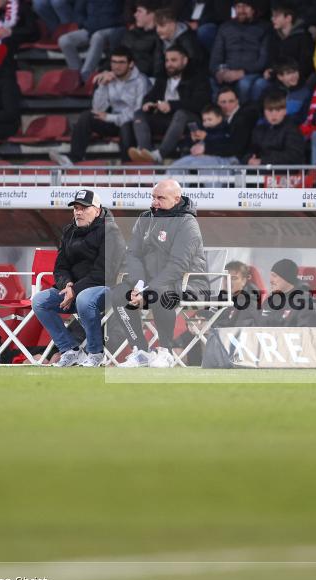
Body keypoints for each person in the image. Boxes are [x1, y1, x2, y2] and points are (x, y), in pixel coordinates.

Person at [110, 179, 209, 369]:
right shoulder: (145, 218)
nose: (155, 202)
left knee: (161, 292)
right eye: (153, 197)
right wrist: (139, 286)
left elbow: (178, 266)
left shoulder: (188, 223)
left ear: (176, 198)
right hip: (149, 283)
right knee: (119, 294)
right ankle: (140, 351)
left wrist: (148, 291)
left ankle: (166, 351)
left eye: (161, 198)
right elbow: (133, 254)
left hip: (189, 283)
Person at [32, 189, 125, 368]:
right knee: (39, 301)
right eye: (75, 208)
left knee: (84, 298)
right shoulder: (69, 231)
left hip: (105, 290)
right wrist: (66, 285)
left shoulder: (111, 231)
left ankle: (96, 353)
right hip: (73, 291)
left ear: (97, 211)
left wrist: (74, 290)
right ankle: (70, 350)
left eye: (84, 208)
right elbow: (60, 267)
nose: (78, 212)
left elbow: (104, 272)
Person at [50, 45, 150, 165]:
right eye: (114, 62)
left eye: (121, 62)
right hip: (113, 121)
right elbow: (98, 108)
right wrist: (103, 85)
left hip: (132, 123)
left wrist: (109, 117)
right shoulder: (109, 77)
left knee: (126, 125)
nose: (116, 66)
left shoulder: (141, 81)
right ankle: (74, 158)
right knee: (87, 116)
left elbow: (137, 112)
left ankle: (127, 167)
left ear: (131, 64)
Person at [128, 44, 212, 164]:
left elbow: (200, 103)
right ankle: (145, 152)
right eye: (167, 60)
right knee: (139, 113)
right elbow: (150, 96)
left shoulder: (198, 77)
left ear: (185, 60)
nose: (169, 64)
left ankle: (159, 155)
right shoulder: (162, 77)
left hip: (190, 121)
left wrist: (172, 105)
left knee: (180, 114)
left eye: (173, 60)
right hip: (166, 120)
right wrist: (148, 103)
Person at [209, 0, 271, 101]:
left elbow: (263, 60)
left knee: (244, 84)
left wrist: (242, 72)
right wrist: (218, 72)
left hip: (251, 72)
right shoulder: (225, 27)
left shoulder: (265, 27)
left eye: (245, 6)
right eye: (238, 6)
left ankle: (243, 114)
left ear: (253, 9)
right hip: (228, 71)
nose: (241, 10)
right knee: (211, 81)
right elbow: (215, 57)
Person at [58, 0, 123, 83]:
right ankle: (76, 72)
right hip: (90, 28)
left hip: (112, 28)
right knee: (64, 40)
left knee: (97, 36)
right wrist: (85, 24)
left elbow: (126, 12)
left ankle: (85, 75)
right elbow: (78, 12)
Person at [246, 90, 306, 165]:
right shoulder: (259, 130)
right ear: (264, 111)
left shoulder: (293, 130)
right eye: (270, 110)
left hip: (285, 173)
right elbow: (250, 150)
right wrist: (249, 158)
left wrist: (263, 161)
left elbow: (293, 156)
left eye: (278, 110)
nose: (273, 115)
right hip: (260, 171)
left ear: (285, 111)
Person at [256, 259, 316, 327]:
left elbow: (307, 335)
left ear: (286, 278)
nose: (271, 280)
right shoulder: (269, 302)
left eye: (274, 276)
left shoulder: (306, 304)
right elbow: (256, 330)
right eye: (271, 276)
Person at [267, 1, 315, 83]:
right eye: (272, 16)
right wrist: (270, 70)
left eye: (276, 16)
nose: (272, 19)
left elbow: (306, 66)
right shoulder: (274, 36)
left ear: (288, 18)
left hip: (298, 81)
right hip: (278, 78)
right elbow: (272, 60)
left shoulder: (304, 37)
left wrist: (289, 75)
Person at [151, 7, 207, 78]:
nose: (158, 30)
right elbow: (158, 64)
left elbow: (194, 65)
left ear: (173, 24)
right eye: (156, 26)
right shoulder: (161, 39)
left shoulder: (188, 40)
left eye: (162, 26)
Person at [115, 1, 159, 77]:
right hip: (123, 74)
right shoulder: (131, 33)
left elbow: (151, 66)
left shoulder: (159, 37)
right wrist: (104, 70)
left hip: (142, 79)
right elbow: (117, 53)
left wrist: (122, 72)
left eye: (139, 11)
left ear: (151, 14)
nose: (135, 15)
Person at [269, 59, 312, 123]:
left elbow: (303, 116)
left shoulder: (305, 91)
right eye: (289, 73)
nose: (294, 76)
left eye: (295, 72)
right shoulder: (273, 90)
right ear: (280, 77)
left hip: (291, 126)